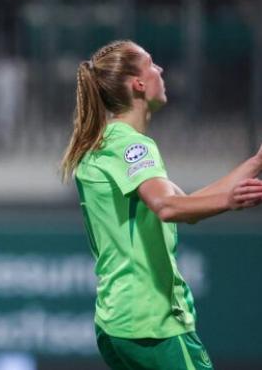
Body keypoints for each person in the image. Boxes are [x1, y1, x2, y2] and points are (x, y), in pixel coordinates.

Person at [60, 40, 262, 370]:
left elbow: (185, 205)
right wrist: (229, 200)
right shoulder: (132, 146)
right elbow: (167, 207)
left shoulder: (105, 142)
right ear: (137, 84)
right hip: (152, 322)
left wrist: (256, 162)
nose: (161, 70)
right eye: (152, 64)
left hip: (117, 324)